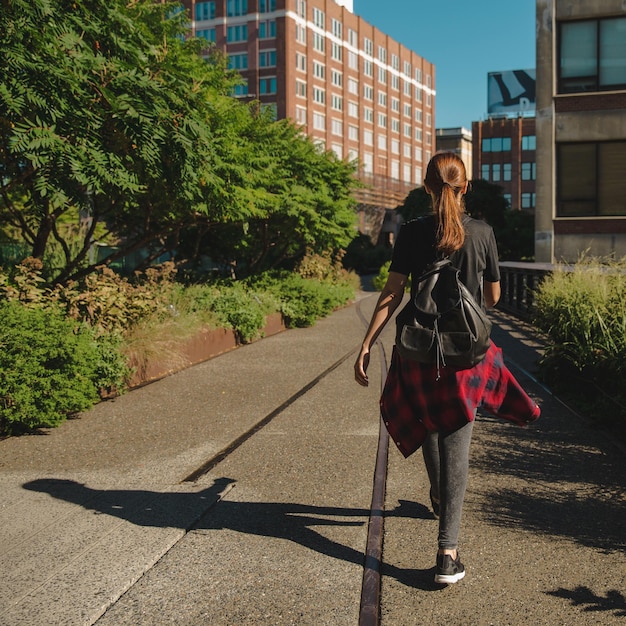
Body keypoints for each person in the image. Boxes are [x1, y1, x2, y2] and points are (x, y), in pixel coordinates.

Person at [354, 151, 539, 585]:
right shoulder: (483, 233)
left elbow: (391, 293)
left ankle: (438, 495)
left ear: (425, 188)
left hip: (418, 351)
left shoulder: (414, 232)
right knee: (457, 441)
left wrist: (366, 344)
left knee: (430, 424)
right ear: (465, 188)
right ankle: (447, 553)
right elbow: (492, 299)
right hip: (463, 356)